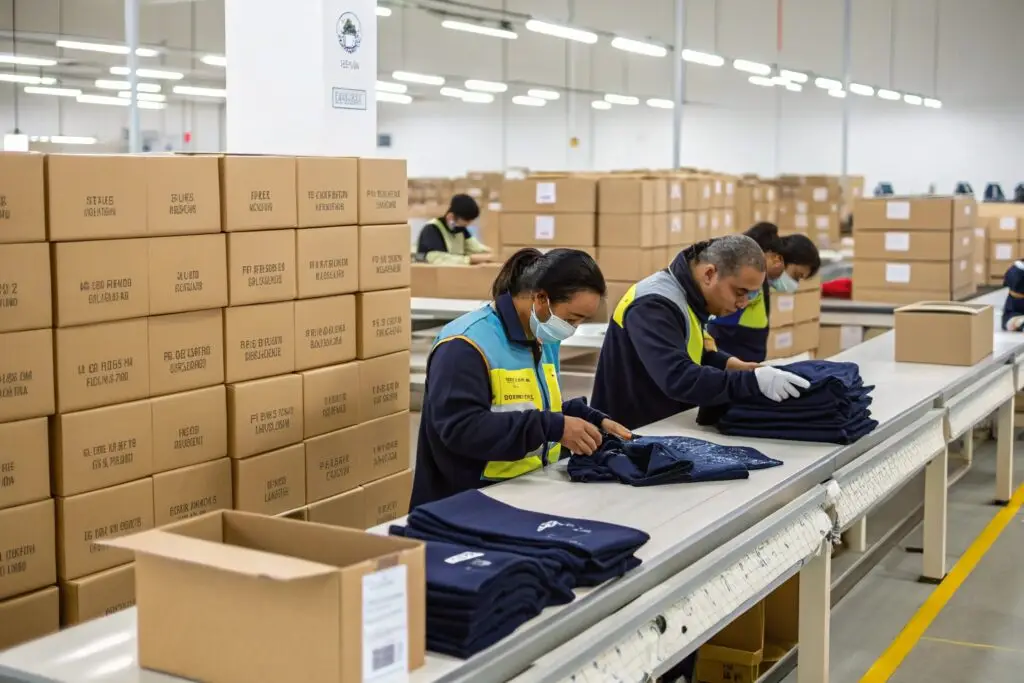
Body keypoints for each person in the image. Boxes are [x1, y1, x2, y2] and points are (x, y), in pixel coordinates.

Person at [411, 247, 632, 509]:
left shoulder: (541, 337)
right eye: (572, 318)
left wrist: (587, 418)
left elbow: (533, 408)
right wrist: (553, 426)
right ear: (541, 298)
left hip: (527, 491)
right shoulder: (464, 345)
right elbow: (461, 430)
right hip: (468, 502)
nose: (574, 329)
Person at [591, 235, 810, 431]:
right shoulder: (653, 305)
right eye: (740, 292)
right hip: (630, 437)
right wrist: (751, 381)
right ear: (709, 274)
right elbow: (678, 377)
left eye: (751, 296)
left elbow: (691, 349)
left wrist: (734, 365)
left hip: (662, 428)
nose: (743, 303)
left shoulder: (689, 297)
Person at [707, 223, 821, 362]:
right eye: (796, 275)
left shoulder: (761, 285)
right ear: (778, 259)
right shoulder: (747, 284)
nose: (794, 283)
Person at [416, 193, 493, 265]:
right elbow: (434, 258)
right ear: (451, 216)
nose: (467, 225)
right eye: (466, 221)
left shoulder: (460, 229)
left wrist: (492, 254)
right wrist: (469, 259)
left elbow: (475, 248)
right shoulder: (431, 229)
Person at [1002, 260, 1024, 330]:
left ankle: (1018, 322)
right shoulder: (1018, 271)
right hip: (1017, 303)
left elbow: (1005, 283)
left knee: (1010, 318)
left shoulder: (1013, 268)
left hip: (1013, 303)